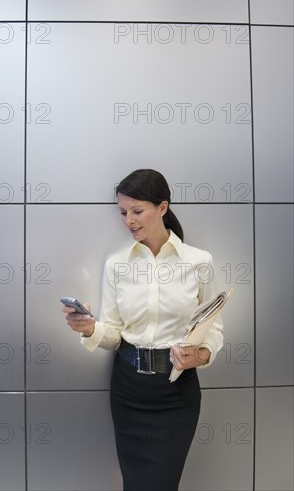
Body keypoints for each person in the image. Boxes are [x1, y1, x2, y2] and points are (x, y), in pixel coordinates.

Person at [62, 169, 223, 491]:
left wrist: (201, 355)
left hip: (176, 392)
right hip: (129, 390)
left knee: (161, 483)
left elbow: (214, 328)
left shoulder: (199, 262)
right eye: (123, 212)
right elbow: (115, 334)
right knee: (135, 483)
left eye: (137, 211)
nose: (128, 220)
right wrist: (90, 328)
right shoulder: (116, 264)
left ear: (162, 208)